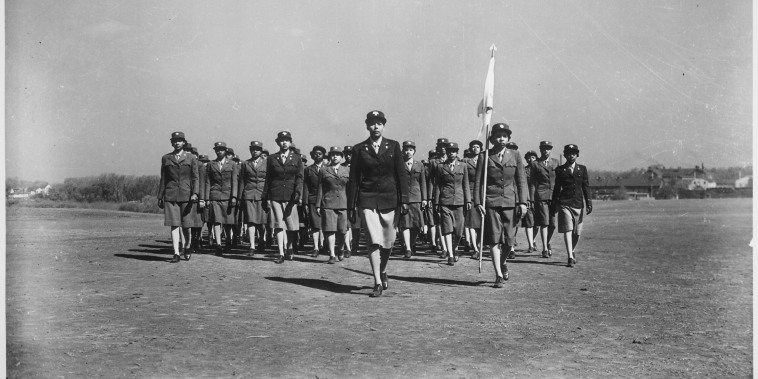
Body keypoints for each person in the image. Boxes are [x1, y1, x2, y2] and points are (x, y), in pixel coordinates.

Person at [347, 110, 409, 297]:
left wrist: (404, 200)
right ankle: (377, 282)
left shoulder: (393, 146)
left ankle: (382, 270)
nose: (376, 126)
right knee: (373, 241)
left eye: (379, 123)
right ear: (367, 126)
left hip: (390, 200)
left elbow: (401, 174)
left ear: (383, 126)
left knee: (388, 242)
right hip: (368, 200)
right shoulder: (359, 149)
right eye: (372, 123)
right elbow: (354, 179)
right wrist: (352, 205)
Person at [473, 123, 528, 288]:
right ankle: (498, 274)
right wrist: (477, 202)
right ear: (492, 138)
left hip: (511, 203)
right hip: (491, 202)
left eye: (504, 135)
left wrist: (523, 202)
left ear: (509, 138)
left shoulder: (516, 155)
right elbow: (478, 183)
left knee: (509, 241)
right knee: (494, 239)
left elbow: (521, 181)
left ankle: (503, 263)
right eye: (498, 135)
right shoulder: (485, 156)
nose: (501, 138)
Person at [262, 131, 304, 263]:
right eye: (281, 140)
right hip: (275, 194)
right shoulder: (272, 158)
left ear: (290, 142)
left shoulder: (297, 158)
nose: (284, 142)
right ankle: (280, 252)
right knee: (279, 225)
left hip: (291, 196)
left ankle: (289, 248)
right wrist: (265, 196)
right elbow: (268, 178)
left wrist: (297, 192)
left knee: (291, 226)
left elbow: (300, 177)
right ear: (277, 142)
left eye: (287, 140)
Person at [157, 132, 200, 263]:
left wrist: (195, 193)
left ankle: (187, 246)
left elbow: (195, 178)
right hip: (171, 195)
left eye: (180, 141)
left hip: (187, 195)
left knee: (186, 226)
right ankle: (176, 252)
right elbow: (163, 178)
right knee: (174, 224)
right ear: (172, 143)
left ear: (184, 143)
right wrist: (160, 196)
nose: (177, 143)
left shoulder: (191, 157)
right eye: (175, 141)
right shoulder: (166, 158)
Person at [550, 144, 592, 267]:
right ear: (565, 155)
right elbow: (557, 188)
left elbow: (586, 187)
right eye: (568, 153)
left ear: (577, 155)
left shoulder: (582, 169)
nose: (571, 155)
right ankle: (569, 256)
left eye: (573, 153)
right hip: (564, 203)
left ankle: (572, 250)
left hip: (578, 203)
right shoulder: (560, 170)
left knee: (577, 232)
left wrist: (589, 202)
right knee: (567, 229)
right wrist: (554, 204)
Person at [433, 142, 470, 265]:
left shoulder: (463, 166)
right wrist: (437, 202)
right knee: (447, 229)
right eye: (449, 151)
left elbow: (466, 185)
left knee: (459, 231)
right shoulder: (440, 167)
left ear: (457, 152)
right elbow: (437, 185)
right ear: (446, 152)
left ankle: (454, 248)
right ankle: (450, 254)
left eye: (453, 151)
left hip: (459, 201)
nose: (451, 153)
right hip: (445, 201)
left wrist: (468, 200)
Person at [315, 146, 350, 263]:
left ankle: (340, 248)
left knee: (343, 230)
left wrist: (352, 205)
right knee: (329, 230)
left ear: (341, 157)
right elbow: (320, 188)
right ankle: (332, 254)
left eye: (338, 154)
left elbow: (350, 189)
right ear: (329, 157)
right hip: (328, 203)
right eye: (333, 154)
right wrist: (318, 205)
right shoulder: (324, 170)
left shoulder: (346, 170)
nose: (335, 156)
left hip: (343, 204)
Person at [204, 142, 239, 256]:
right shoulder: (211, 164)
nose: (219, 151)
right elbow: (208, 181)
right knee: (216, 221)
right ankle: (218, 245)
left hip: (228, 196)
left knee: (228, 222)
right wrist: (207, 198)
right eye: (217, 149)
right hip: (214, 195)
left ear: (225, 151)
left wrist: (234, 197)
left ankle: (228, 241)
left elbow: (234, 181)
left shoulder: (232, 164)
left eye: (222, 149)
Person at [397, 140, 427, 259]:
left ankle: (412, 243)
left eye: (410, 149)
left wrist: (424, 198)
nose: (408, 152)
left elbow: (423, 182)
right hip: (404, 198)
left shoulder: (419, 165)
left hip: (417, 197)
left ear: (414, 151)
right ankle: (408, 248)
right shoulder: (399, 164)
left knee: (416, 225)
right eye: (406, 149)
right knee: (405, 224)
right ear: (402, 151)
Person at [238, 141, 268, 256]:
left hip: (262, 194)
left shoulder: (266, 163)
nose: (255, 151)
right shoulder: (245, 163)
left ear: (261, 151)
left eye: (257, 149)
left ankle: (261, 242)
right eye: (253, 149)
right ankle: (251, 246)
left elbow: (268, 180)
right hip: (249, 194)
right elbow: (242, 181)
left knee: (261, 222)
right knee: (250, 221)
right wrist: (241, 196)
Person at [531, 141, 560, 258]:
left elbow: (559, 180)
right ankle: (544, 248)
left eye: (548, 148)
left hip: (553, 196)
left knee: (552, 224)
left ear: (551, 150)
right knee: (544, 223)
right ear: (540, 149)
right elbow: (532, 182)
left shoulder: (556, 162)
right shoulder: (535, 164)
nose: (546, 151)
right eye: (544, 148)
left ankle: (547, 242)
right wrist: (532, 199)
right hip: (541, 195)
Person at [303, 145, 327, 258]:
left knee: (326, 224)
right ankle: (316, 247)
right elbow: (306, 186)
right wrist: (305, 202)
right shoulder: (308, 170)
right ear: (312, 156)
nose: (317, 156)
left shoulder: (328, 168)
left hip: (327, 200)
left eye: (320, 154)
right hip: (312, 199)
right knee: (315, 225)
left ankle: (324, 245)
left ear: (323, 156)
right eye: (315, 154)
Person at [464, 140, 483, 259]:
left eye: (477, 147)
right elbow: (464, 181)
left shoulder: (486, 160)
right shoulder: (466, 162)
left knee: (482, 224)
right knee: (472, 224)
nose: (475, 149)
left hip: (484, 194)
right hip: (471, 195)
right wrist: (467, 199)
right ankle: (475, 248)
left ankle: (481, 246)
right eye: (473, 147)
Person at [342, 145, 359, 258]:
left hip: (357, 199)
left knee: (356, 226)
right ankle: (347, 248)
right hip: (344, 199)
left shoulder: (359, 166)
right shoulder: (341, 167)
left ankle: (355, 245)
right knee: (346, 225)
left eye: (351, 154)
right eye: (347, 154)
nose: (349, 156)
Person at [521, 150, 539, 255]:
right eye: (528, 158)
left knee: (537, 224)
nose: (530, 159)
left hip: (539, 198)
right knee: (529, 223)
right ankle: (531, 245)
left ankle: (533, 240)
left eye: (533, 157)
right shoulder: (524, 170)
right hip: (528, 199)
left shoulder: (540, 169)